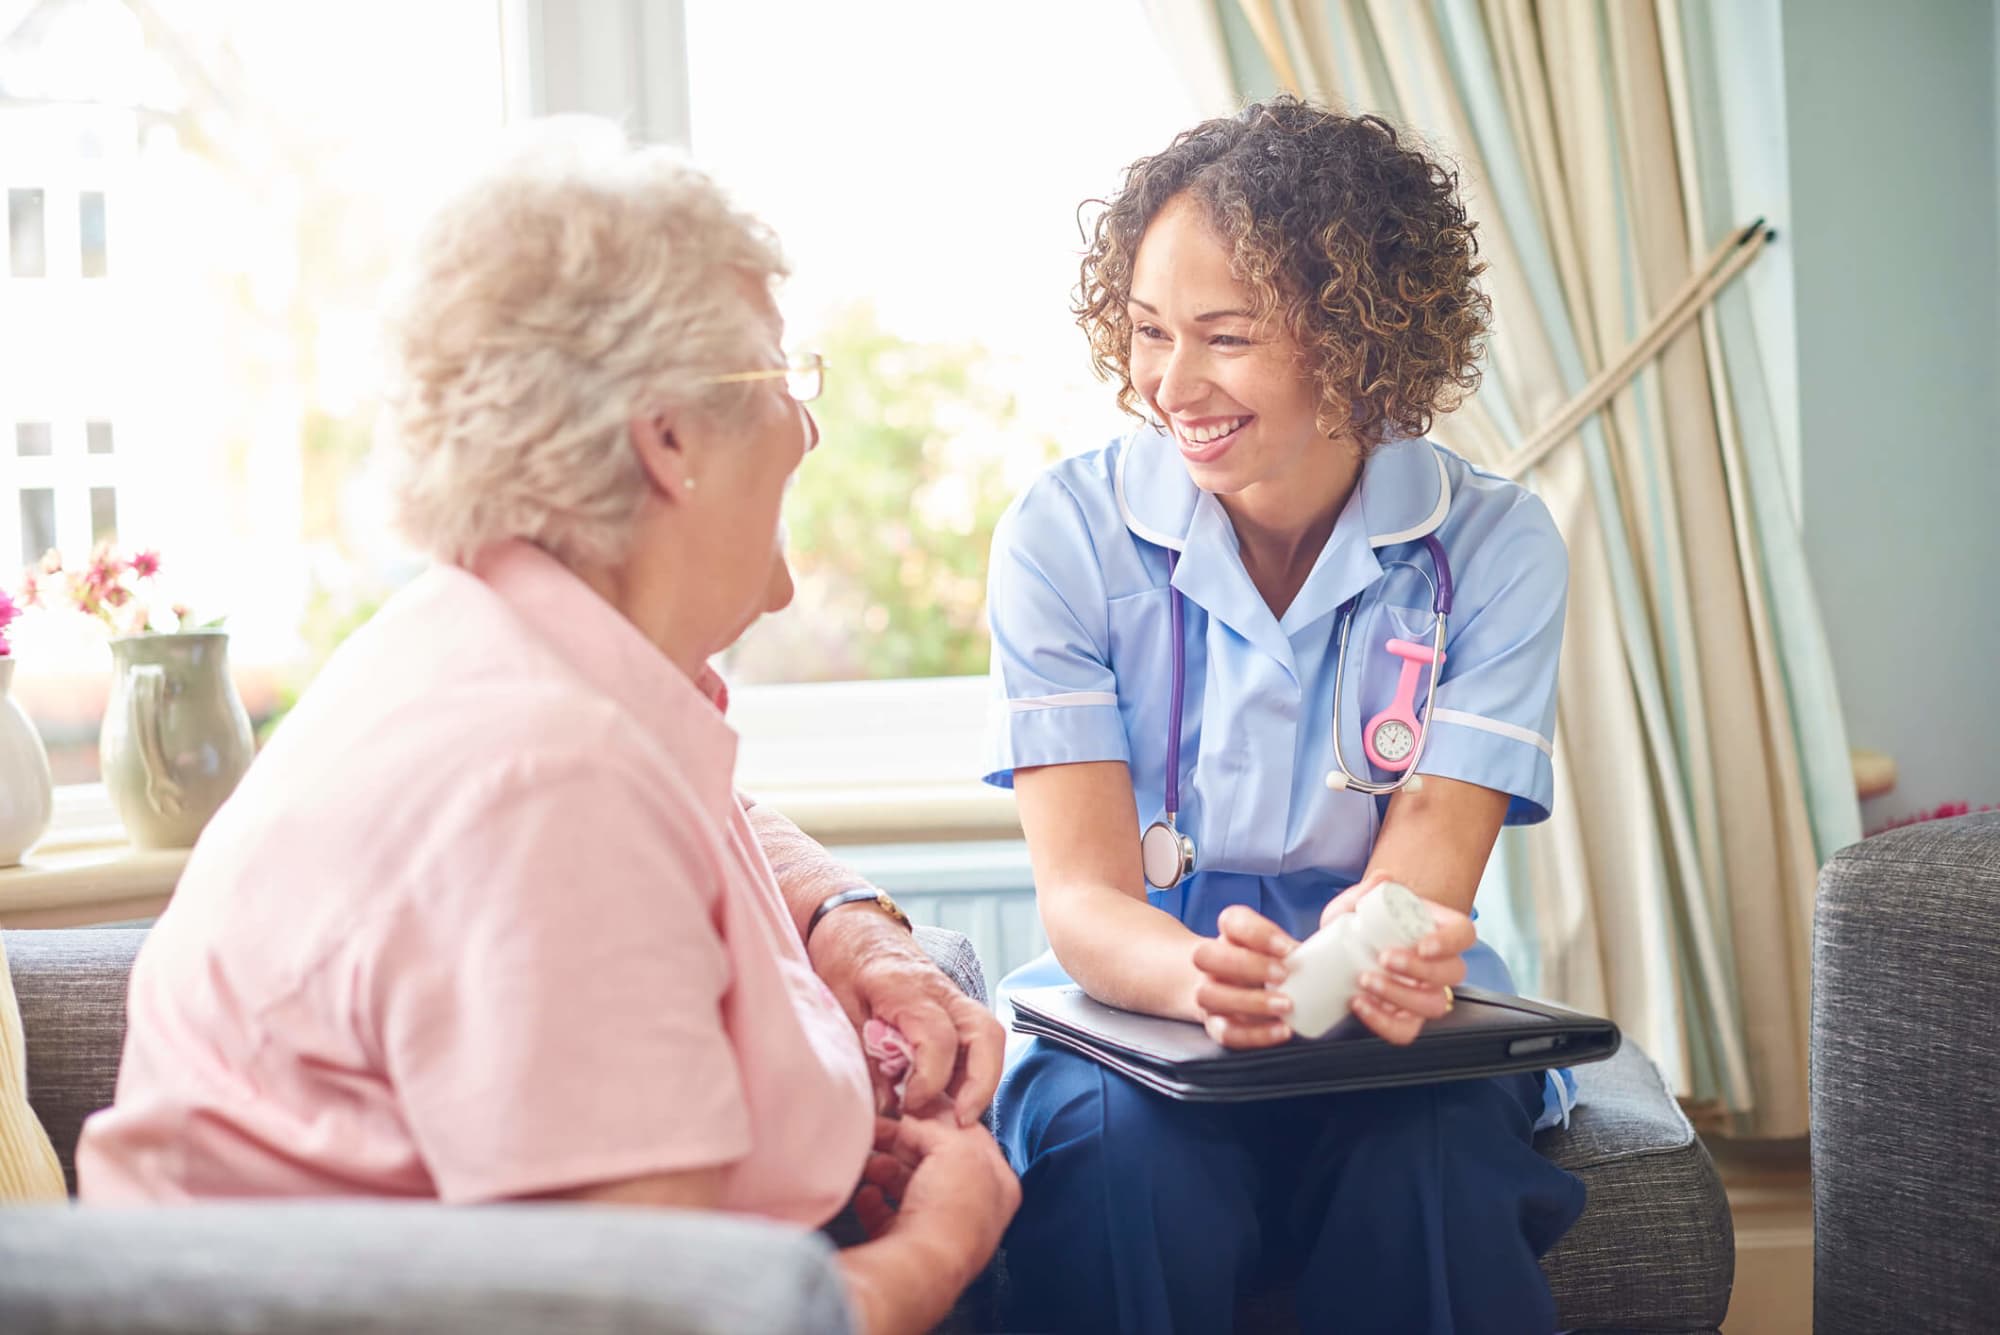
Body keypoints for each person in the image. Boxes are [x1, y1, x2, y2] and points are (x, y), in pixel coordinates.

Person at [76, 117, 1015, 1335]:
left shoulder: (508, 644)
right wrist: (946, 1240)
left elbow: (705, 813)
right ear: (668, 437)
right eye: (784, 379)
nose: (809, 429)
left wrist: (842, 922)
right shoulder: (543, 779)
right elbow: (648, 1326)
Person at [982, 97, 1585, 1332]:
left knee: (1425, 1165)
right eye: (1149, 332)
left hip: (1382, 1000)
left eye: (1225, 337)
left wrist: (1376, 953)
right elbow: (1087, 899)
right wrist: (1201, 979)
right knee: (1116, 1164)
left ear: (1358, 337)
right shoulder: (1064, 535)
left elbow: (1421, 869)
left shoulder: (1492, 545)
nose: (1170, 383)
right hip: (1132, 993)